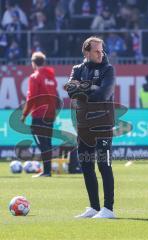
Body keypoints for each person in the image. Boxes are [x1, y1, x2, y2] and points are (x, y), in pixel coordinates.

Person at [65, 36, 116, 218]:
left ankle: (108, 209)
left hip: (103, 124)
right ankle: (94, 207)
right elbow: (70, 90)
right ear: (86, 52)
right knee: (86, 165)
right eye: (96, 50)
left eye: (101, 50)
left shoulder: (108, 70)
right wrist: (89, 88)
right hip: (84, 125)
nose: (100, 53)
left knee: (104, 165)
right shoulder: (77, 69)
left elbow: (104, 93)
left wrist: (83, 88)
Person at [21, 51, 58, 177]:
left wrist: (24, 114)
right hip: (50, 114)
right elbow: (56, 96)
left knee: (43, 143)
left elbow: (32, 98)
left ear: (33, 63)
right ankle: (47, 170)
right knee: (47, 142)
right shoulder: (51, 77)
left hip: (39, 114)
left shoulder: (35, 77)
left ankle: (46, 171)